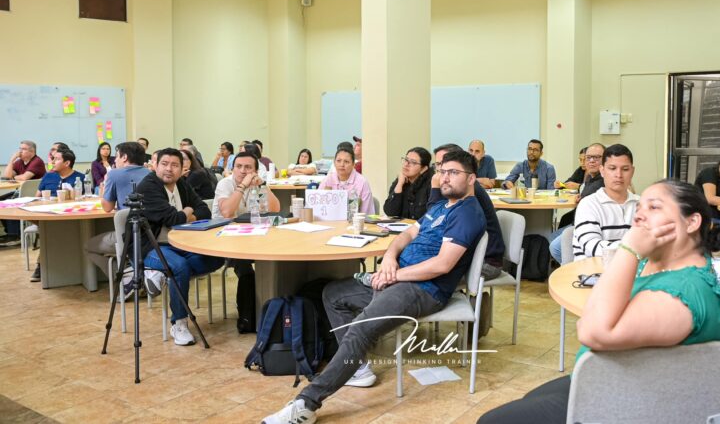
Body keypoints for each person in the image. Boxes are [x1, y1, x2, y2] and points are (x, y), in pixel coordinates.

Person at [478, 179, 720, 424]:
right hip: (615, 377)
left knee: (492, 421)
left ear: (691, 222)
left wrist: (629, 249)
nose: (639, 216)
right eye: (639, 208)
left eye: (654, 207)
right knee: (529, 400)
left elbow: (592, 331)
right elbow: (594, 311)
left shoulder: (683, 291)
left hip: (631, 401)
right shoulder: (656, 265)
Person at [262, 150, 486, 424]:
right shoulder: (441, 206)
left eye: (454, 172)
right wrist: (389, 258)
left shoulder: (467, 213)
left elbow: (442, 265)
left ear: (471, 178)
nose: (445, 177)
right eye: (443, 171)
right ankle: (357, 366)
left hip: (424, 289)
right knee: (333, 293)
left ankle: (306, 404)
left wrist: (394, 276)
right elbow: (407, 233)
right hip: (399, 276)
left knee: (362, 328)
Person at [135, 148, 225, 346]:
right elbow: (173, 219)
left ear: (183, 168)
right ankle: (179, 323)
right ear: (155, 165)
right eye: (164, 164)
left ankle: (162, 273)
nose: (169, 169)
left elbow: (204, 210)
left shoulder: (181, 184)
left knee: (217, 257)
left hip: (182, 243)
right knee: (179, 267)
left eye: (175, 165)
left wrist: (187, 213)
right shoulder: (148, 187)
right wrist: (188, 211)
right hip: (152, 245)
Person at [212, 151, 281, 333]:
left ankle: (272, 312)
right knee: (246, 270)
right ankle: (247, 317)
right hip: (225, 240)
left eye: (248, 167)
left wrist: (263, 186)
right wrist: (242, 186)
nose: (243, 171)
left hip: (251, 238)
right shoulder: (225, 184)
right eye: (239, 167)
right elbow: (227, 212)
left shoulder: (257, 184)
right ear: (232, 168)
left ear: (255, 171)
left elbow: (275, 209)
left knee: (277, 259)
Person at [430, 144, 505, 280]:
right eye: (439, 166)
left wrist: (435, 188)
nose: (441, 172)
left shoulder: (464, 190)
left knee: (425, 273)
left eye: (449, 168)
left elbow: (433, 223)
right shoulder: (454, 186)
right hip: (468, 256)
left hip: (485, 262)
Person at [84, 142, 151, 291]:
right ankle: (135, 276)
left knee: (88, 247)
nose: (115, 160)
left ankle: (125, 280)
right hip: (151, 234)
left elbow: (107, 207)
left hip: (128, 235)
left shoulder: (114, 174)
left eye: (117, 156)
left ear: (125, 157)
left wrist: (104, 186)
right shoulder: (150, 173)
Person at [570, 144, 639, 261]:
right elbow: (592, 247)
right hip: (593, 270)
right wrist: (636, 248)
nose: (619, 175)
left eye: (625, 169)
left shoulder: (643, 205)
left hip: (634, 270)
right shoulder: (588, 204)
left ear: (632, 171)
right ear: (602, 171)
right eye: (612, 168)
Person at [31, 148, 86, 281]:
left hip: (70, 215)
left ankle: (42, 264)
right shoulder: (48, 176)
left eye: (56, 159)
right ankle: (43, 264)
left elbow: (83, 200)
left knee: (49, 231)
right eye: (53, 159)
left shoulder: (80, 178)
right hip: (47, 214)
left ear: (67, 163)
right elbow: (36, 199)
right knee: (47, 227)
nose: (52, 162)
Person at [549, 143, 606, 259]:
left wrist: (582, 194)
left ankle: (573, 267)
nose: (591, 161)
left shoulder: (604, 180)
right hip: (579, 223)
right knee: (553, 238)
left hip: (590, 228)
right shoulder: (589, 176)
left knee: (555, 247)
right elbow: (576, 187)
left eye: (596, 157)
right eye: (588, 158)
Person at [0, 140, 48, 246]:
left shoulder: (37, 161)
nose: (20, 151)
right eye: (20, 148)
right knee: (1, 201)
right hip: (21, 192)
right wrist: (11, 160)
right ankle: (10, 233)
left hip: (34, 195)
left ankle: (15, 235)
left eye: (24, 149)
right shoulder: (19, 162)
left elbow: (24, 178)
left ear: (32, 151)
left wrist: (13, 177)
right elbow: (6, 176)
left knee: (10, 203)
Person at [319, 146, 375, 214]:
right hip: (330, 219)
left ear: (353, 164)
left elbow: (367, 213)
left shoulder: (362, 182)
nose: (342, 165)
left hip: (354, 220)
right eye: (338, 161)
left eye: (346, 162)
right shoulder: (327, 180)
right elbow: (318, 206)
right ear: (334, 162)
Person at [383, 147, 432, 220]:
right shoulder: (400, 181)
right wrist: (399, 184)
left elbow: (432, 216)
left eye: (413, 162)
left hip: (421, 227)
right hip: (401, 226)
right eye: (406, 160)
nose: (406, 164)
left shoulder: (431, 184)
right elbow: (390, 212)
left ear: (424, 169)